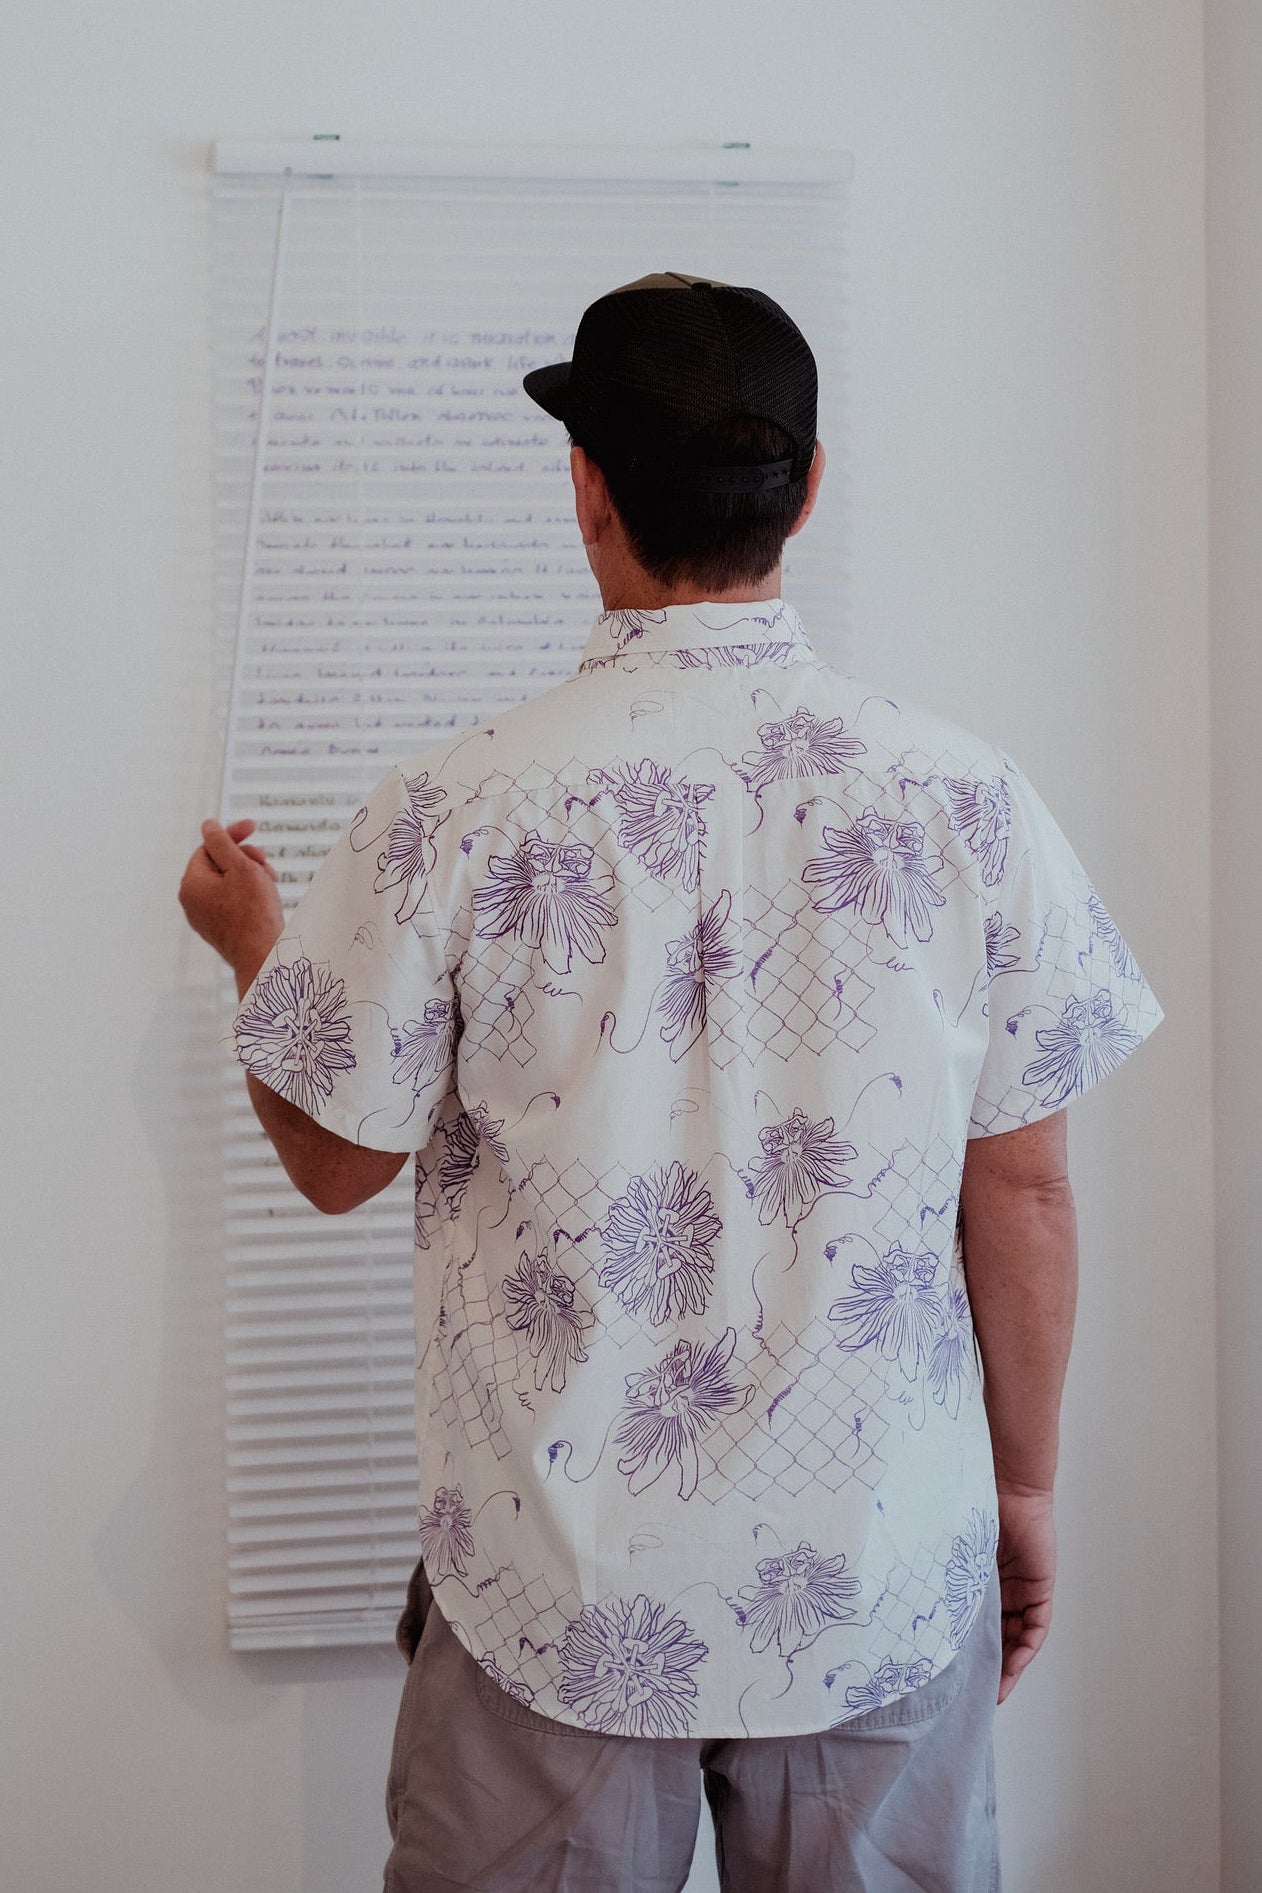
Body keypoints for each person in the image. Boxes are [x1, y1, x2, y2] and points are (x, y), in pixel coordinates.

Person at [179, 273, 1162, 1893]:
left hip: (545, 1599)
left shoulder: (450, 809)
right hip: (872, 1572)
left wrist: (254, 947)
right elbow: (1027, 1188)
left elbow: (337, 1162)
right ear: (810, 485)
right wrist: (1027, 1489)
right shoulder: (965, 802)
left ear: (585, 487)